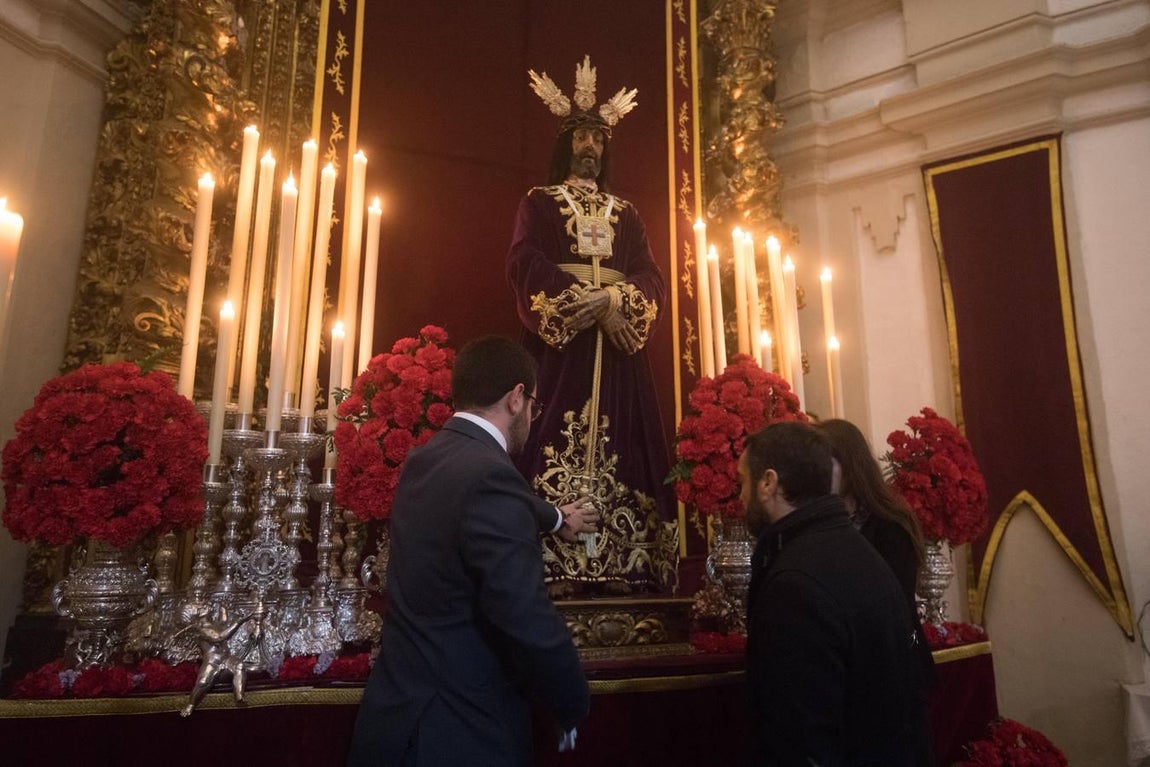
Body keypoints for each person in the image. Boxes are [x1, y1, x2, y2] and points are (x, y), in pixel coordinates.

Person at [347, 336, 592, 767]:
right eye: (534, 405)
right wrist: (570, 700)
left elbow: (467, 502)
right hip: (458, 733)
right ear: (517, 398)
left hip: (394, 721)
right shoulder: (492, 477)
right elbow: (522, 612)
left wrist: (552, 516)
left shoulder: (423, 462)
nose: (533, 416)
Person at [508, 55, 677, 595]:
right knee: (552, 432)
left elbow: (651, 274)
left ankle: (623, 561)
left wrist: (615, 301)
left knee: (624, 444)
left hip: (619, 347)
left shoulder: (626, 213)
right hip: (564, 347)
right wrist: (582, 302)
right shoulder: (539, 202)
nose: (590, 147)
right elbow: (525, 264)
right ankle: (554, 561)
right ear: (566, 145)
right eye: (581, 136)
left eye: (598, 139)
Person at [739, 421, 927, 765]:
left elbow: (801, 731)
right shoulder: (853, 548)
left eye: (743, 482)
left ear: (768, 483)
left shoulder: (795, 582)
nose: (741, 496)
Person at [814, 418, 936, 765]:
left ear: (848, 465)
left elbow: (892, 601)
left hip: (892, 663)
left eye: (825, 463)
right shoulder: (823, 523)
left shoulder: (889, 524)